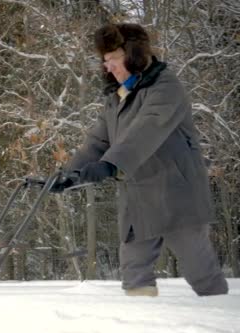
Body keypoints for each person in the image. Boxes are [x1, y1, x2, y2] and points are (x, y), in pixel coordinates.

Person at [54, 23, 228, 296]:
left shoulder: (166, 86)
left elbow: (147, 129)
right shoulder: (117, 97)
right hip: (137, 197)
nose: (107, 67)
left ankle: (218, 325)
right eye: (105, 61)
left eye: (113, 59)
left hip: (175, 194)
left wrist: (111, 164)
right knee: (135, 277)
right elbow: (97, 143)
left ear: (133, 54)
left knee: (201, 272)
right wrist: (68, 175)